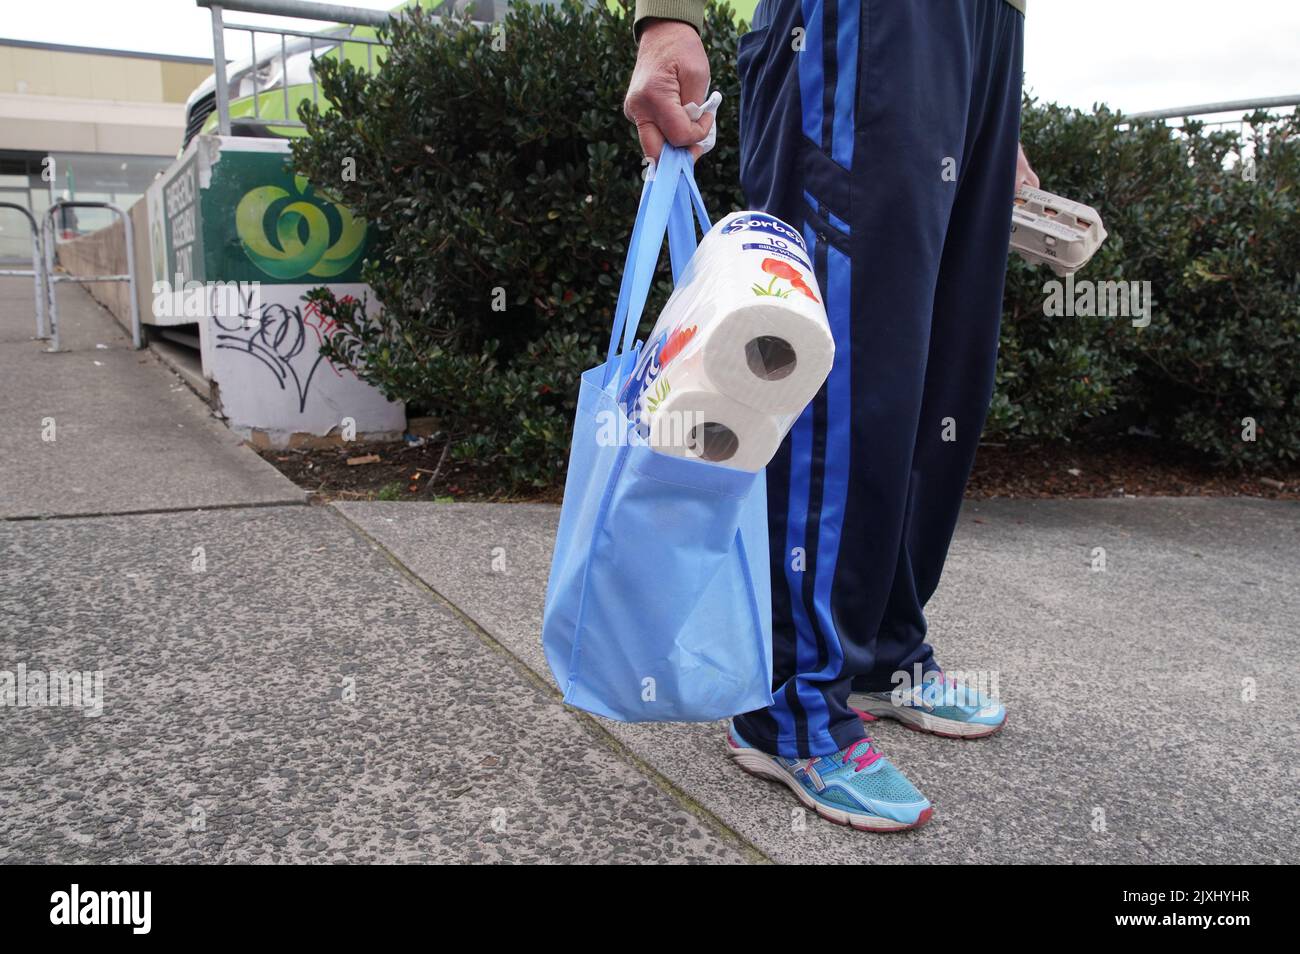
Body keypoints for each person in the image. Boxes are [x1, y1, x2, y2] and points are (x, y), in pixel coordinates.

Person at [624, 0, 1038, 832]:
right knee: (840, 363)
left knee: (938, 372)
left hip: (983, 34)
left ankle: (880, 652)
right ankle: (786, 696)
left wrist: (977, 90)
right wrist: (666, 17)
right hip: (864, 21)